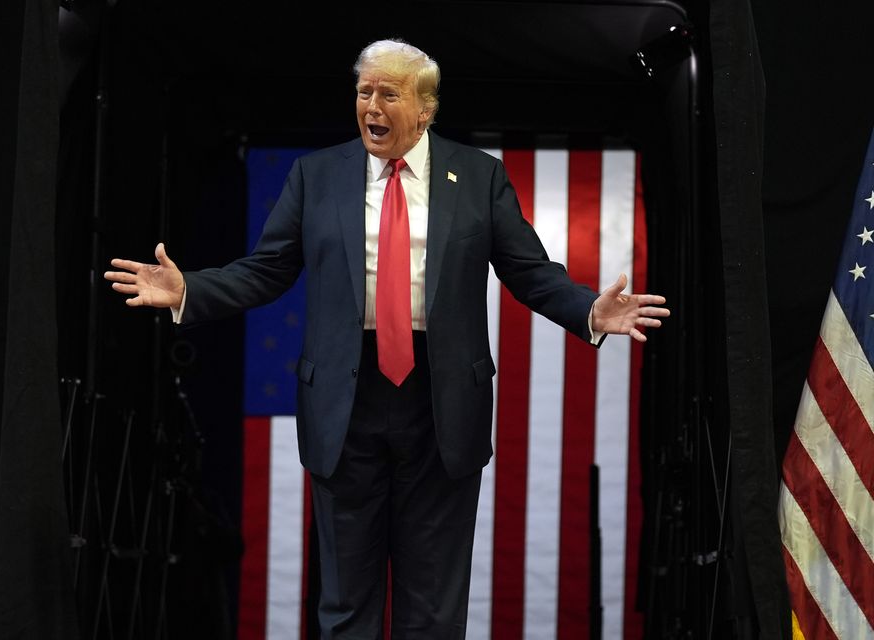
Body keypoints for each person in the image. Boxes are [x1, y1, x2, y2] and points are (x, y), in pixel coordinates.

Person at [105, 38, 669, 639]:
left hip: (441, 400)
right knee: (347, 602)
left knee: (433, 607)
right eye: (363, 92)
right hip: (346, 402)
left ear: (424, 107)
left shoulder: (479, 177)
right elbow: (266, 269)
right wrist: (190, 287)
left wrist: (589, 310)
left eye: (388, 94)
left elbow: (528, 272)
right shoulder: (316, 176)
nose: (371, 106)